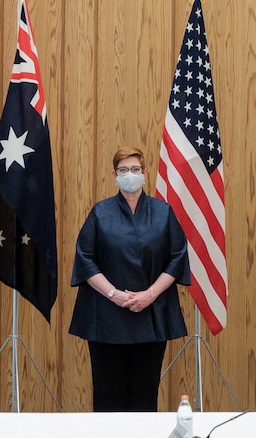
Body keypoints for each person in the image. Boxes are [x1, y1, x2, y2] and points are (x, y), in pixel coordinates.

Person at [69, 146, 190, 412]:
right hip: (107, 317)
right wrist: (114, 294)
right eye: (123, 170)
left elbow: (178, 257)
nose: (129, 175)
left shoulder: (163, 212)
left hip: (151, 315)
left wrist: (150, 294)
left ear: (145, 173)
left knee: (144, 397)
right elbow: (85, 258)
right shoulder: (100, 212)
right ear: (114, 175)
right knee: (107, 395)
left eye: (135, 170)